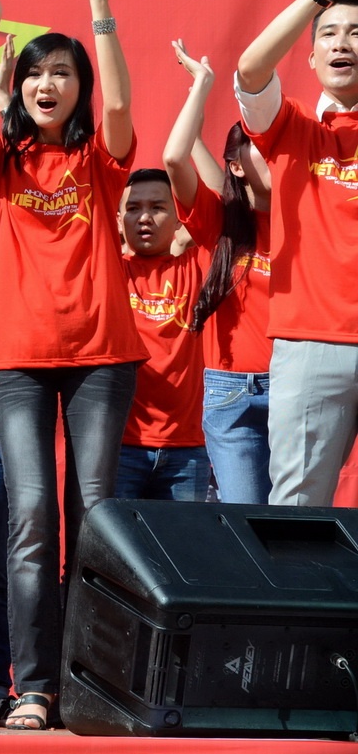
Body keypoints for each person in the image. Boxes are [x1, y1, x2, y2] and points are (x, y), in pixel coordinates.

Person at [0, 0, 145, 732]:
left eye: (61, 73)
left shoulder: (100, 159)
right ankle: (35, 687)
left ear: (78, 87)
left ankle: (92, 682)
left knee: (94, 516)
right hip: (16, 361)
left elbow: (122, 111)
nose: (47, 84)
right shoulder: (1, 166)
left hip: (101, 356)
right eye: (35, 73)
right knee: (30, 517)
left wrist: (101, 7)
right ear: (19, 87)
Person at [232, 0, 358, 506]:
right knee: (297, 511)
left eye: (356, 32)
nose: (342, 44)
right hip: (312, 342)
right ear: (310, 58)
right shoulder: (293, 128)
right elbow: (250, 69)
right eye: (329, 33)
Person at [110, 42, 226, 501]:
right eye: (133, 208)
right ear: (117, 217)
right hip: (119, 447)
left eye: (158, 207)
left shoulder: (198, 264)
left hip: (188, 450)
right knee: (115, 547)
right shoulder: (106, 268)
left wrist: (196, 104)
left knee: (184, 549)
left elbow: (218, 197)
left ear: (180, 217)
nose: (144, 217)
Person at [191, 121, 274, 505]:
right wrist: (198, 96)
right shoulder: (225, 226)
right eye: (259, 145)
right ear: (237, 164)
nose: (272, 154)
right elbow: (177, 158)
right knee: (246, 516)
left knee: (296, 519)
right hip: (231, 390)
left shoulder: (306, 220)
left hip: (294, 383)